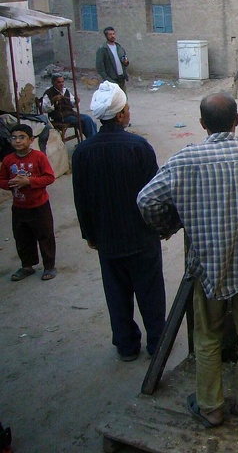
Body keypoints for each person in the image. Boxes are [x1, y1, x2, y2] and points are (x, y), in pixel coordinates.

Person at [137, 92, 238, 429]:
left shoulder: (184, 160)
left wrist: (171, 224)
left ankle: (211, 408)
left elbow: (146, 200)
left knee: (208, 338)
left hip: (207, 268)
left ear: (202, 124)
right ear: (237, 121)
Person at [72, 81, 165, 361]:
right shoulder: (139, 147)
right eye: (127, 108)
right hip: (142, 236)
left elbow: (82, 199)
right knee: (150, 292)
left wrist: (90, 234)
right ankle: (157, 344)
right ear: (121, 114)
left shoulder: (82, 152)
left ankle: (126, 346)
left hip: (107, 239)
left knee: (116, 293)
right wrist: (161, 226)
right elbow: (155, 193)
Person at [0, 124, 57, 282]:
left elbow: (49, 177)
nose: (17, 141)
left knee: (45, 235)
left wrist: (29, 181)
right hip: (19, 206)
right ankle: (27, 266)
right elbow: (2, 179)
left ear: (31, 140)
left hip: (39, 205)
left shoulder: (39, 157)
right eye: (14, 137)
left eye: (22, 137)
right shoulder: (8, 160)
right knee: (22, 237)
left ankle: (49, 265)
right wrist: (11, 184)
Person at [41, 73, 98, 138]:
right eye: (59, 82)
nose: (61, 84)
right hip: (60, 117)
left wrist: (76, 102)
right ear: (53, 83)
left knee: (91, 122)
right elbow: (44, 109)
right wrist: (53, 100)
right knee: (86, 120)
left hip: (71, 114)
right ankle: (92, 140)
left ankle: (92, 139)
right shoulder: (48, 93)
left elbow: (73, 103)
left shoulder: (65, 91)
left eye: (62, 82)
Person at [96, 27, 129, 92]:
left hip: (121, 78)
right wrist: (107, 79)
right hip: (111, 80)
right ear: (106, 36)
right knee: (114, 100)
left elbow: (125, 60)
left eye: (113, 34)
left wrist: (126, 62)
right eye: (110, 34)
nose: (112, 36)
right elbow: (100, 67)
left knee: (123, 100)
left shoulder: (119, 48)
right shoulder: (102, 49)